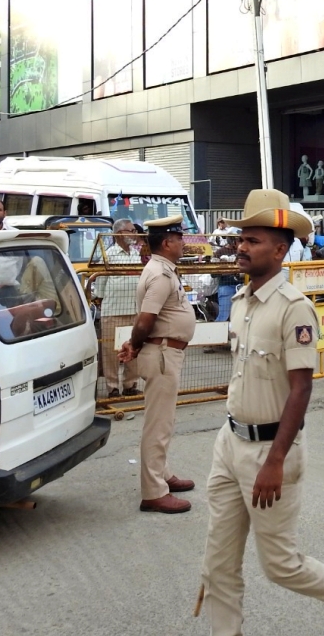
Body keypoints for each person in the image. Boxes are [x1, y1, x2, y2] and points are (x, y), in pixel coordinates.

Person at [198, 189, 324, 635]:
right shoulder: (241, 302)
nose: (241, 246)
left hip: (270, 450)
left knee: (279, 564)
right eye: (241, 238)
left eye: (253, 240)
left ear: (280, 250)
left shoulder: (293, 308)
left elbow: (301, 389)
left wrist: (276, 460)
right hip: (230, 443)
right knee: (217, 561)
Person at [117, 215, 197, 514]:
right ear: (167, 243)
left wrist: (135, 345)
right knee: (158, 425)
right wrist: (135, 345)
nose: (183, 242)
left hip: (165, 352)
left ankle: (162, 475)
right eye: (179, 238)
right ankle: (153, 491)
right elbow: (146, 319)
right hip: (162, 353)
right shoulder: (161, 275)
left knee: (164, 422)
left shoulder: (162, 270)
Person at [99, 219, 142, 397]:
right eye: (130, 231)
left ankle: (130, 385)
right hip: (113, 310)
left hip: (134, 310)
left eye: (134, 231)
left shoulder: (135, 254)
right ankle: (113, 387)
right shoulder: (108, 255)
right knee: (111, 352)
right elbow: (100, 286)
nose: (134, 234)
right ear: (118, 234)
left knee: (135, 349)